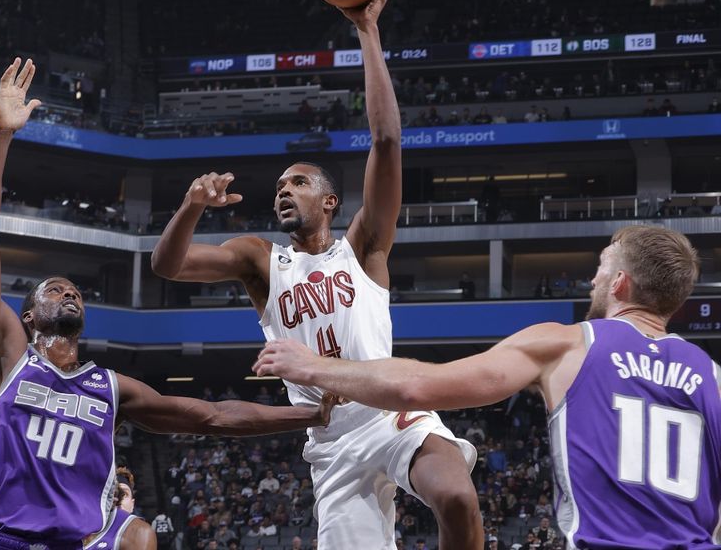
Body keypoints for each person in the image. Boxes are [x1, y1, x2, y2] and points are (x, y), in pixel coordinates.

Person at [151, 0, 480, 550]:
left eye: (296, 182)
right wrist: (191, 207)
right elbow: (167, 267)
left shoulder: (366, 247)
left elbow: (385, 141)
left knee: (456, 495)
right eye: (278, 184)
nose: (282, 189)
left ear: (330, 200)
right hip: (331, 441)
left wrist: (368, 31)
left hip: (389, 413)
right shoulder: (259, 259)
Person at [0, 58, 335, 549]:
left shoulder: (110, 388)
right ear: (27, 316)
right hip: (0, 539)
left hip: (80, 542)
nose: (69, 292)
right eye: (54, 288)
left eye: (74, 290)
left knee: (137, 534)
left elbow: (210, 417)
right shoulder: (4, 356)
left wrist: (310, 415)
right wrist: (1, 135)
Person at [255, 225, 721, 549]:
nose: (593, 278)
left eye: (601, 268)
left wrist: (315, 367)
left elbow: (418, 386)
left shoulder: (568, 344)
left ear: (619, 282)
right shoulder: (713, 378)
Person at [84, 466, 156, 549]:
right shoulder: (83, 531)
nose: (119, 497)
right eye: (113, 493)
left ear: (132, 504)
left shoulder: (140, 532)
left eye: (124, 494)